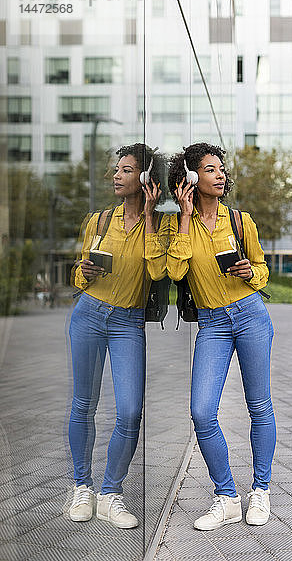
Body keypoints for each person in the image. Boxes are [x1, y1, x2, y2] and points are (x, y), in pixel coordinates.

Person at [167, 143, 276, 530]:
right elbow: (176, 273)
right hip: (211, 324)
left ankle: (260, 491)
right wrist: (183, 217)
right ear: (191, 178)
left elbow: (263, 269)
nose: (220, 175)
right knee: (201, 412)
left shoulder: (241, 220)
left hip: (250, 315)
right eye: (210, 170)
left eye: (221, 169)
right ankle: (226, 496)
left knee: (259, 405)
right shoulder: (177, 225)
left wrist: (251, 273)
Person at [67, 143, 167, 528]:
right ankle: (82, 487)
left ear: (145, 179)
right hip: (89, 314)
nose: (116, 176)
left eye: (126, 170)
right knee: (83, 404)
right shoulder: (97, 221)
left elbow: (158, 273)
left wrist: (148, 216)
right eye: (116, 169)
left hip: (129, 322)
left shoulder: (160, 225)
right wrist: (84, 272)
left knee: (128, 411)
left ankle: (111, 493)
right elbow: (79, 270)